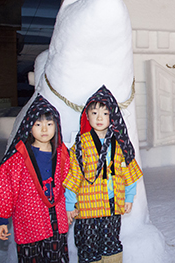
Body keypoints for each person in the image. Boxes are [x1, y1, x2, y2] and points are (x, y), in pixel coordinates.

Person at [64, 85, 143, 263]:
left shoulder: (120, 144)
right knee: (88, 246)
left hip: (112, 206)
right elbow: (73, 176)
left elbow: (128, 171)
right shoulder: (81, 146)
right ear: (87, 116)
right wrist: (70, 204)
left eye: (105, 113)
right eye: (94, 113)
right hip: (87, 208)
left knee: (112, 243)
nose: (100, 118)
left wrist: (129, 197)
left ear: (113, 116)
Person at [0, 95, 70, 262]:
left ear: (56, 126)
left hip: (55, 222)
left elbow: (70, 182)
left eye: (49, 124)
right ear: (28, 127)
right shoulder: (18, 158)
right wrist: (1, 220)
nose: (44, 129)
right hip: (29, 223)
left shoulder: (62, 154)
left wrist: (70, 206)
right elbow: (5, 189)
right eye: (38, 124)